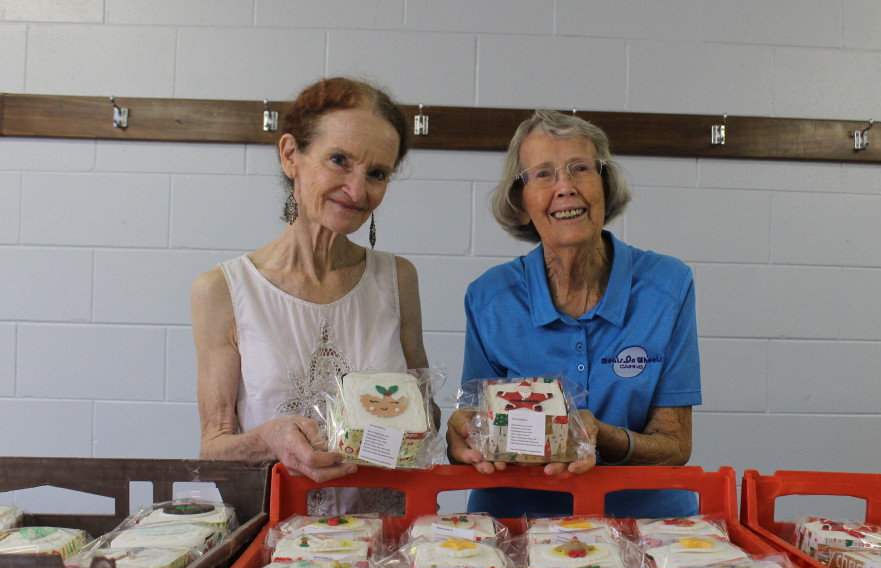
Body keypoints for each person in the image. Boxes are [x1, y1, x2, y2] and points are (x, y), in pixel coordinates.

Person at [191, 77, 433, 513]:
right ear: (291, 156)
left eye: (377, 174)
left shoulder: (398, 279)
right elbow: (213, 448)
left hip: (388, 543)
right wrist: (268, 439)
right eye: (339, 160)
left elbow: (424, 416)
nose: (358, 191)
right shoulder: (223, 290)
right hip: (273, 545)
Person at [446, 109, 701, 518]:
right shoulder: (490, 298)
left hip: (648, 522)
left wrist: (605, 438)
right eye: (543, 174)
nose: (565, 187)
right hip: (519, 519)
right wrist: (461, 442)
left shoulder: (667, 286)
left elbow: (675, 445)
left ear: (605, 185)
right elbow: (477, 427)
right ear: (521, 202)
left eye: (580, 168)